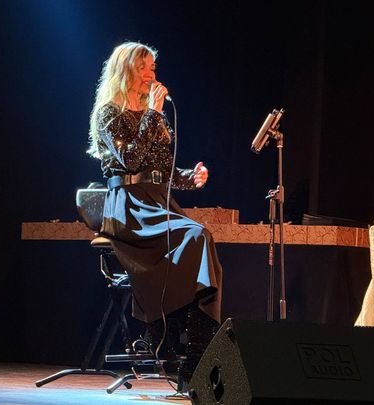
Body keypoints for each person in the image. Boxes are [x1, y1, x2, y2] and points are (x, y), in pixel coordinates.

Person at [87, 41, 223, 391]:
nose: (151, 75)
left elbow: (159, 170)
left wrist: (189, 177)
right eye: (143, 68)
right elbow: (130, 161)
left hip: (158, 202)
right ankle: (172, 336)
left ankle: (192, 348)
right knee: (196, 236)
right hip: (129, 206)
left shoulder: (154, 115)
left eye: (153, 68)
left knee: (201, 244)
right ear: (126, 71)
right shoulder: (110, 113)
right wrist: (152, 113)